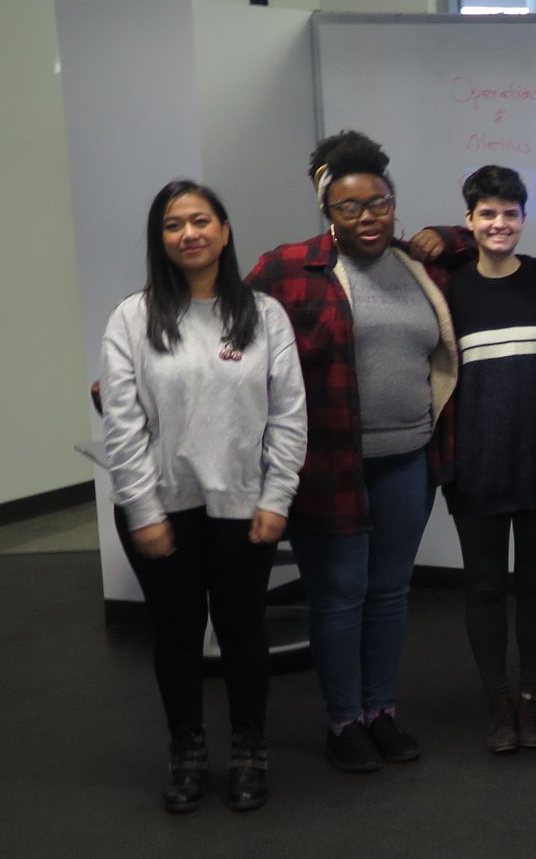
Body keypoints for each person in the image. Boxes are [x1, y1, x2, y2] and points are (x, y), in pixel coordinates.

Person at [248, 132, 459, 772]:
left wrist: (448, 233)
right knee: (338, 596)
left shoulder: (419, 265)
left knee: (391, 592)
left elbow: (479, 236)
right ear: (326, 212)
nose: (368, 217)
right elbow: (222, 323)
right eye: (350, 207)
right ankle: (343, 721)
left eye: (380, 203)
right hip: (327, 465)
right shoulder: (287, 269)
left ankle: (380, 712)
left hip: (408, 459)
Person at [99, 181, 306, 813]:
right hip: (164, 509)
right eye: (172, 224)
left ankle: (249, 750)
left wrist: (277, 499)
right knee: (177, 635)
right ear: (160, 239)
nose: (188, 234)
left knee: (244, 633)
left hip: (244, 508)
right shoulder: (133, 317)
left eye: (200, 221)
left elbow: (289, 416)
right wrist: (143, 510)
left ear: (224, 230)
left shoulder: (263, 314)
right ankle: (186, 750)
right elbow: (123, 424)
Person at [439, 166, 536, 754]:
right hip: (474, 470)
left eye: (510, 213)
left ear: (523, 221)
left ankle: (532, 699)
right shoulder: (449, 290)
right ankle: (497, 704)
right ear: (470, 221)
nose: (499, 224)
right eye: (488, 214)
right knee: (482, 587)